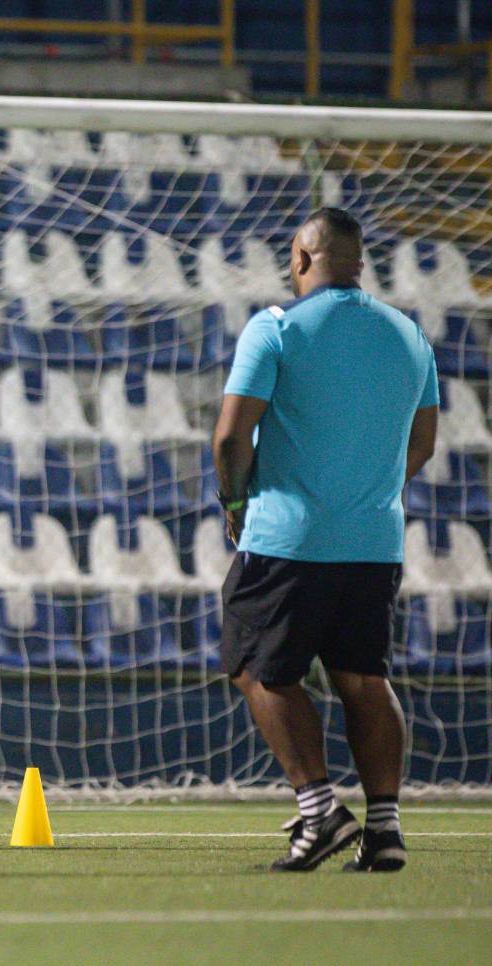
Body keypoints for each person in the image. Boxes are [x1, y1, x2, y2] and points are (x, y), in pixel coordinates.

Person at [212, 208, 438, 872]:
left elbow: (230, 436)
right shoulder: (409, 336)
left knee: (255, 667)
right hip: (374, 541)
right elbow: (422, 444)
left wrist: (234, 501)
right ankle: (387, 831)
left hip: (288, 540)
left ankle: (320, 812)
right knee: (365, 681)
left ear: (302, 257)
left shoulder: (275, 328)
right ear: (359, 262)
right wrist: (363, 491)